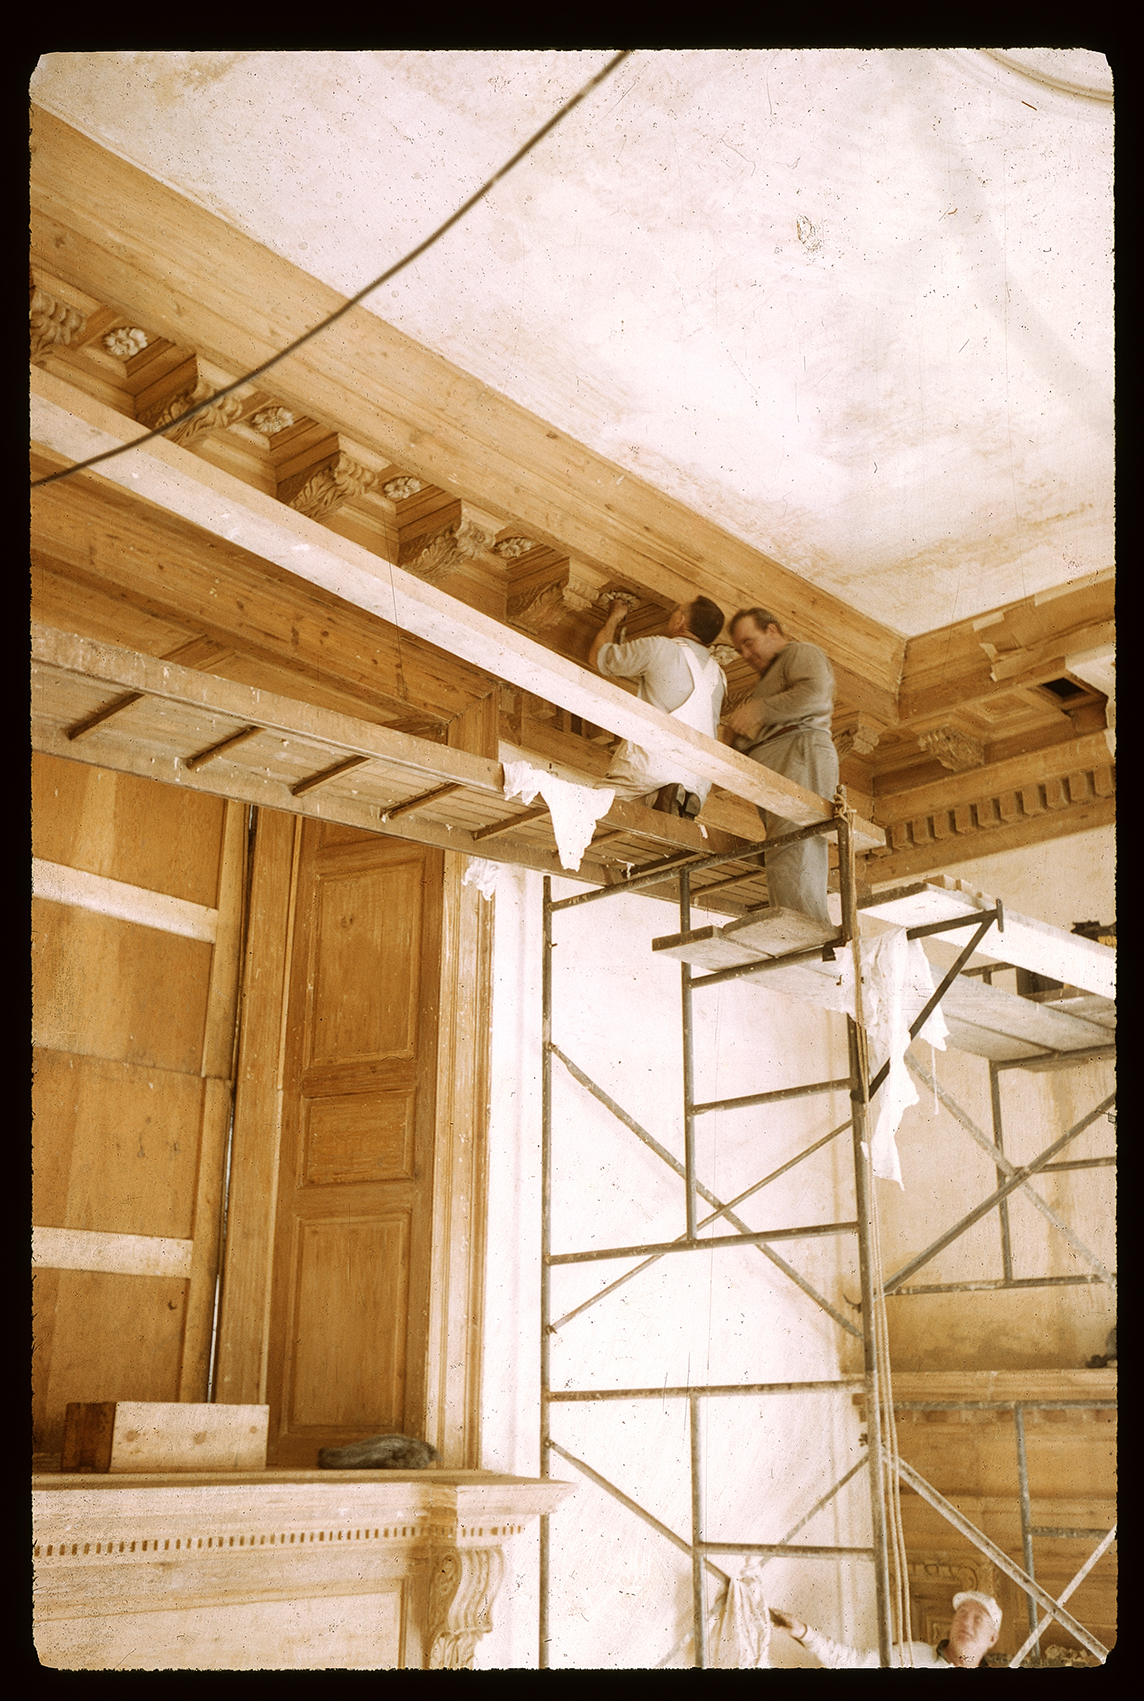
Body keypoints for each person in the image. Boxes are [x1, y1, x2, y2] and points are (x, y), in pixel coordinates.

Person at [722, 607, 838, 926]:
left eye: (749, 642)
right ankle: (796, 926)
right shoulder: (768, 680)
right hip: (781, 763)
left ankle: (802, 929)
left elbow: (814, 694)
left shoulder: (800, 652)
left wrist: (759, 710)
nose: (745, 654)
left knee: (793, 842)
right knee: (783, 846)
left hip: (798, 753)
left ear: (772, 631)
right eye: (739, 648)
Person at [590, 594, 727, 817]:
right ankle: (661, 798)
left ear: (681, 620)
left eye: (676, 610)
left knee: (591, 809)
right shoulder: (719, 676)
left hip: (651, 768)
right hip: (696, 784)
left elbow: (597, 658)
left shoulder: (662, 648)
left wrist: (614, 617)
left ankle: (657, 795)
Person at [769, 1591, 1003, 1669]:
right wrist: (804, 1633)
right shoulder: (915, 1654)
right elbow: (856, 1662)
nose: (966, 1623)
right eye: (961, 1614)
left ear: (993, 1638)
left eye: (978, 1619)